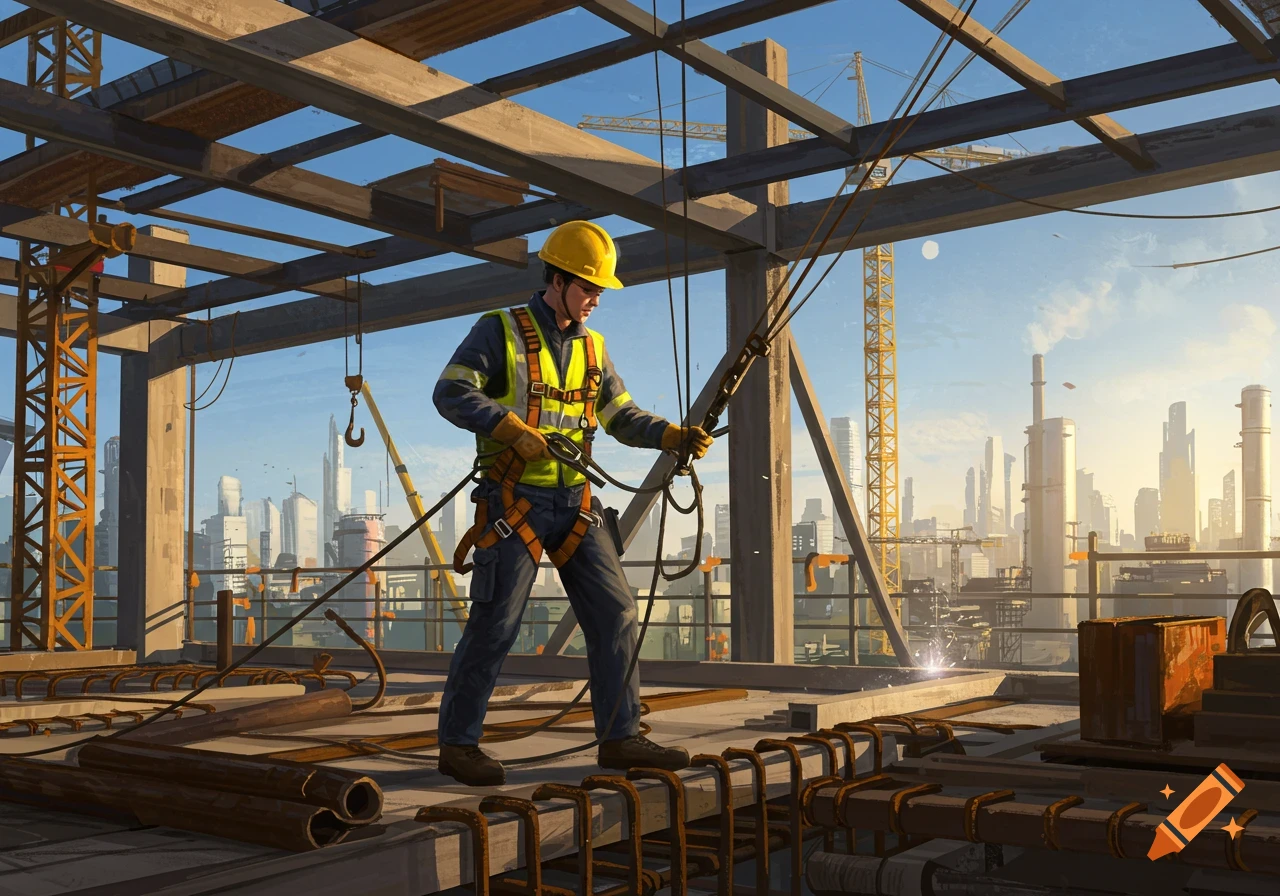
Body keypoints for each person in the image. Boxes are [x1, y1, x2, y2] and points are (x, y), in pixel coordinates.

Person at [432, 220, 714, 786]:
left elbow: (619, 416)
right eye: (588, 288)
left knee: (616, 613)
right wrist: (508, 427)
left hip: (574, 503)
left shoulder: (593, 348)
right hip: (514, 501)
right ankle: (458, 746)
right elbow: (451, 391)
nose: (595, 300)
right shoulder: (500, 331)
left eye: (599, 292)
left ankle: (620, 737)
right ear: (556, 280)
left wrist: (670, 435)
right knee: (496, 624)